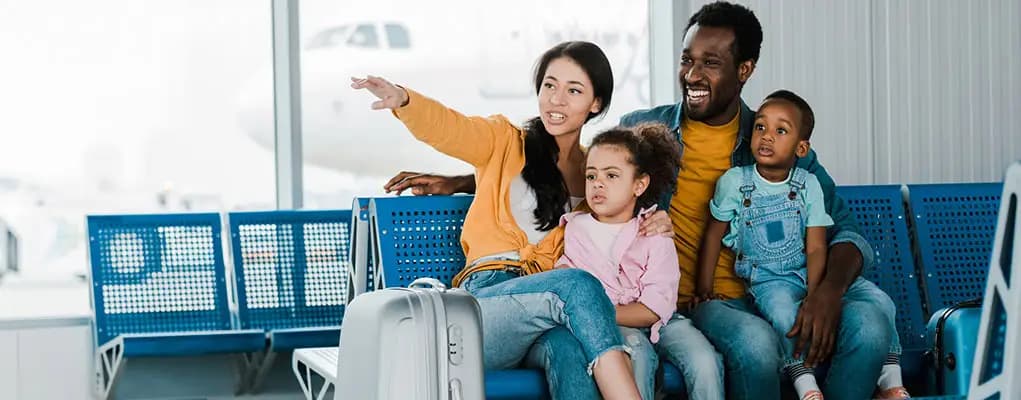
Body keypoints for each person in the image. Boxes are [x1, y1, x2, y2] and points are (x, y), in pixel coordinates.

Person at [383, 3, 889, 400]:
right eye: (687, 59)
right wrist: (461, 172)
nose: (693, 74)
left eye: (711, 63)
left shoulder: (767, 138)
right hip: (661, 299)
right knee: (748, 346)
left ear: (745, 69)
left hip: (738, 288)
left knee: (870, 321)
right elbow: (533, 160)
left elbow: (842, 228)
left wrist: (826, 292)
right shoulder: (647, 129)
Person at [353, 41, 643, 399]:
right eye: (549, 86)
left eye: (574, 90)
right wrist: (405, 101)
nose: (556, 100)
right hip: (483, 307)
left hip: (545, 317)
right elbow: (452, 128)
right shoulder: (505, 142)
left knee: (567, 349)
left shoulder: (596, 173)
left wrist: (655, 221)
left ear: (595, 103)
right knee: (577, 285)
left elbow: (629, 211)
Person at [695, 90, 909, 400]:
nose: (767, 137)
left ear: (801, 147)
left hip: (810, 272)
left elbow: (816, 245)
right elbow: (713, 234)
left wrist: (816, 292)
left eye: (780, 131)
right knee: (784, 314)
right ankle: (802, 376)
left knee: (882, 302)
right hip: (769, 278)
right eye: (760, 127)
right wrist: (703, 288)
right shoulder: (734, 182)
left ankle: (890, 377)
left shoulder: (807, 183)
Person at [554, 123, 685, 400]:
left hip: (648, 324)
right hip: (601, 331)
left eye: (611, 175)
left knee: (695, 358)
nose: (598, 184)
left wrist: (592, 312)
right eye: (591, 177)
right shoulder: (575, 229)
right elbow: (570, 284)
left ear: (640, 185)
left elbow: (654, 305)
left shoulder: (653, 231)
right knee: (628, 350)